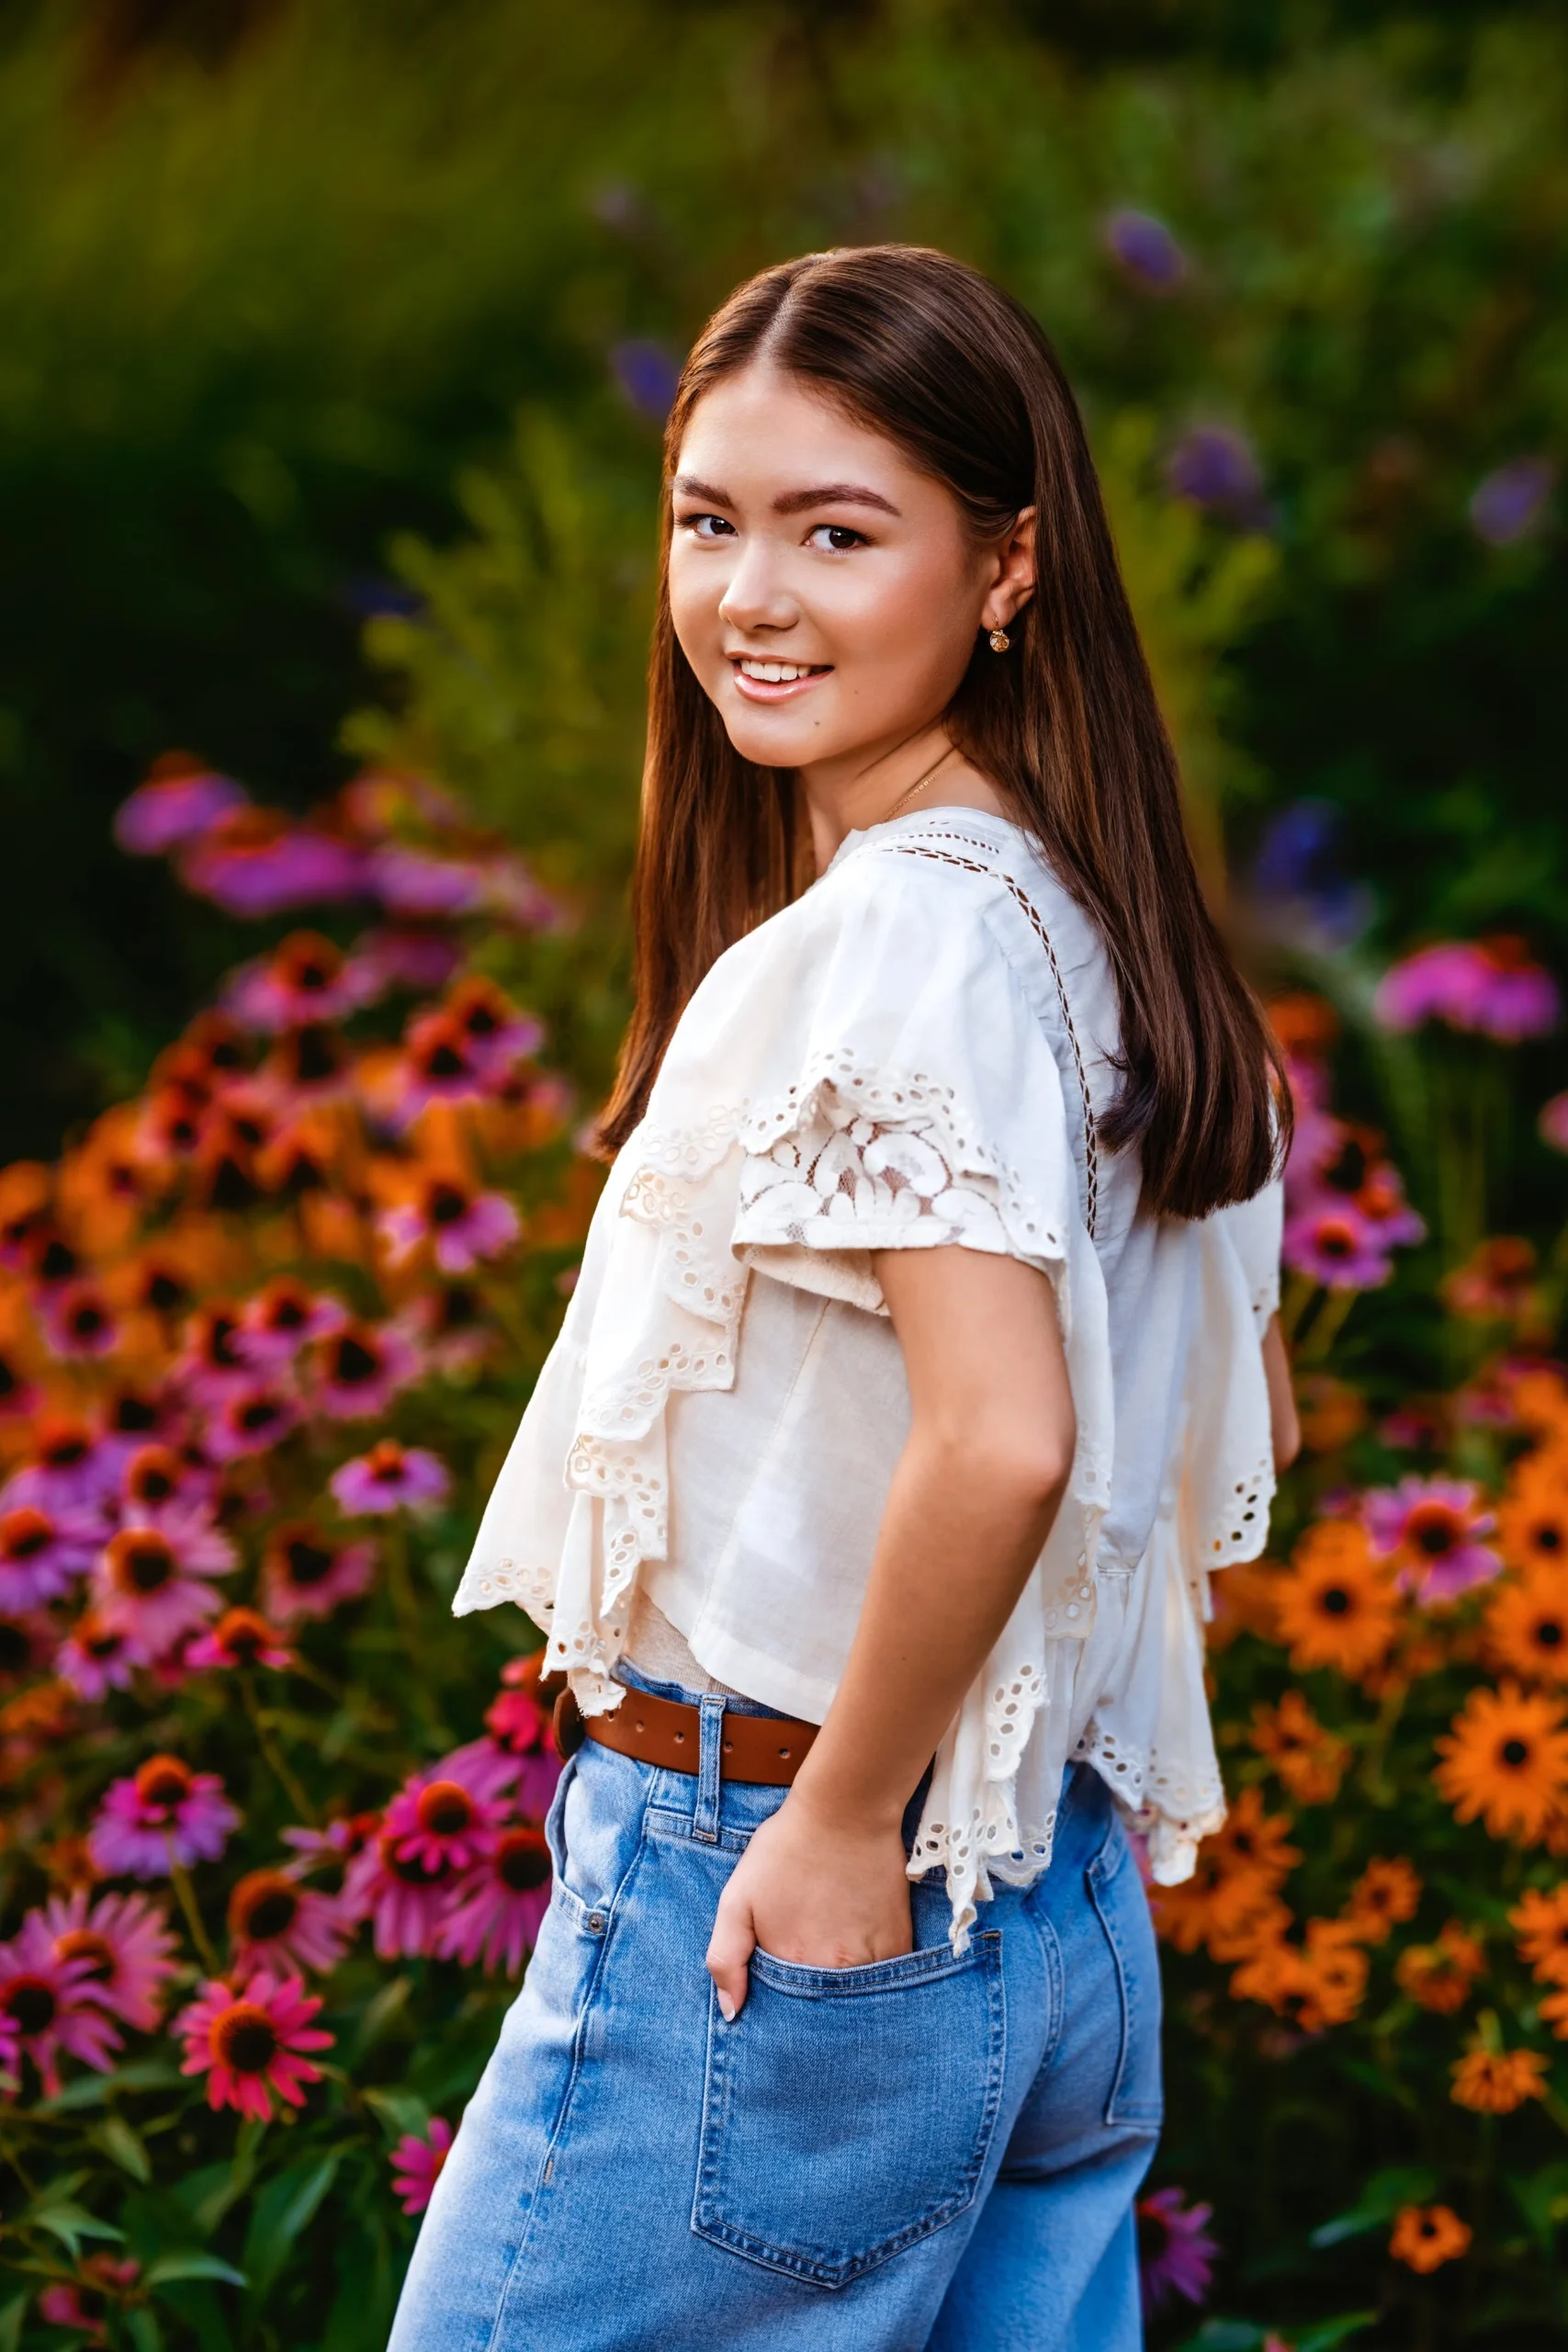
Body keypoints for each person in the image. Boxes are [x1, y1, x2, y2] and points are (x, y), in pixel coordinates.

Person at [387, 243, 1300, 2352]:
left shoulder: (906, 935)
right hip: (1041, 1894)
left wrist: (830, 1820)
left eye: (838, 530)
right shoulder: (1106, 929)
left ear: (1005, 570)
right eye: (710, 521)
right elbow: (1210, 1419)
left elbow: (1010, 1434)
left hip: (795, 1873)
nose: (750, 596)